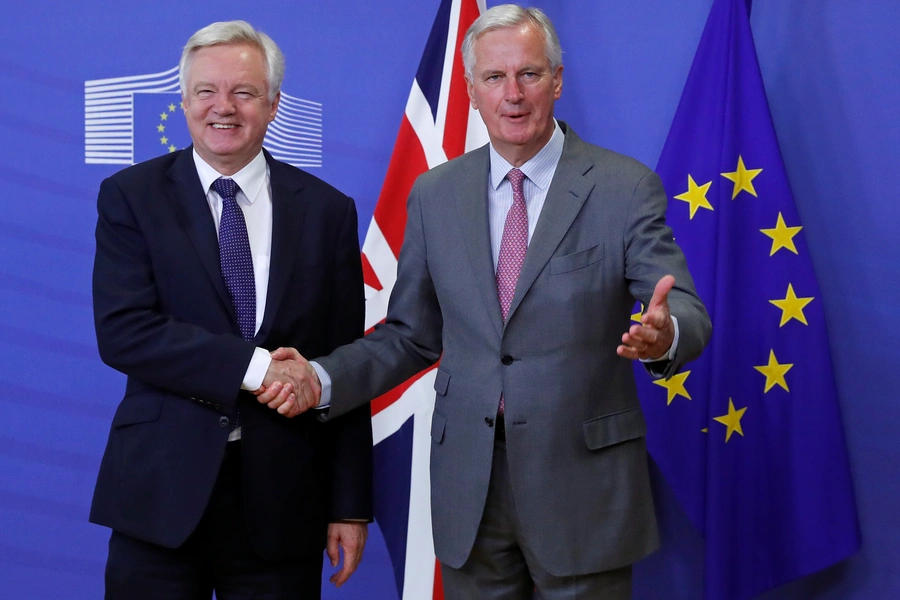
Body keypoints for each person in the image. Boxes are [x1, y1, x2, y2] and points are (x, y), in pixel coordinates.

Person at [260, 4, 711, 599]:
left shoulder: (623, 187)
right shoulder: (435, 194)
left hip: (581, 483)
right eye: (495, 78)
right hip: (470, 485)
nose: (513, 94)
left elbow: (683, 306)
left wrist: (664, 335)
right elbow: (410, 335)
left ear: (557, 80)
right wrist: (319, 376)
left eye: (528, 74)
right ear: (471, 89)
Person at [89, 20, 372, 599]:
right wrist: (257, 368)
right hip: (160, 499)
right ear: (185, 101)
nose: (224, 108)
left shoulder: (327, 211)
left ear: (273, 104)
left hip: (282, 502)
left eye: (243, 92)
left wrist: (350, 505)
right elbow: (125, 332)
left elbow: (344, 365)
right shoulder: (131, 197)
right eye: (206, 92)